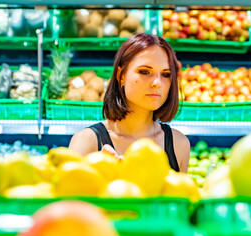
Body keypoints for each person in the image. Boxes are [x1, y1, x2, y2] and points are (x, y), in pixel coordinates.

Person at [69, 33, 190, 173]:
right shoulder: (86, 142)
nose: (157, 83)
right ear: (121, 76)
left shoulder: (179, 145)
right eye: (145, 71)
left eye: (166, 74)